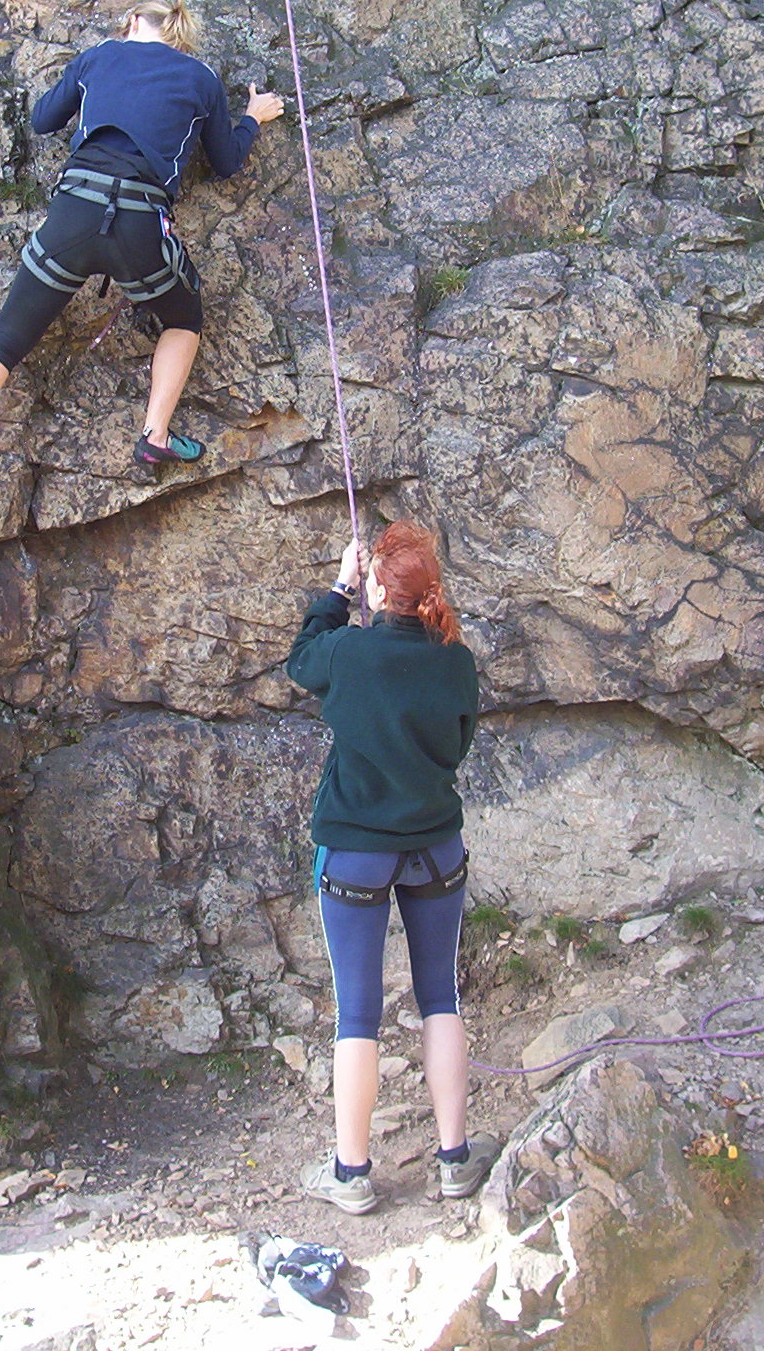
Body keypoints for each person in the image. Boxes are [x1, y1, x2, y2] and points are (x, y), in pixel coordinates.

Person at [0, 0, 284, 498]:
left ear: (131, 23)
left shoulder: (100, 55)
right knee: (184, 318)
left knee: (5, 339)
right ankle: (155, 435)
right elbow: (226, 162)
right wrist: (252, 117)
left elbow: (42, 120)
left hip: (73, 215)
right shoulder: (202, 79)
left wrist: (89, 86)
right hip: (140, 225)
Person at [285, 519, 497, 1214]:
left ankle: (352, 1174)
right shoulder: (456, 660)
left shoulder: (348, 652)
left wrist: (340, 588)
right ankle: (454, 1159)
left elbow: (301, 659)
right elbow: (458, 743)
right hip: (435, 844)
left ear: (380, 588)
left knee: (359, 1011)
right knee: (441, 995)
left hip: (355, 849)